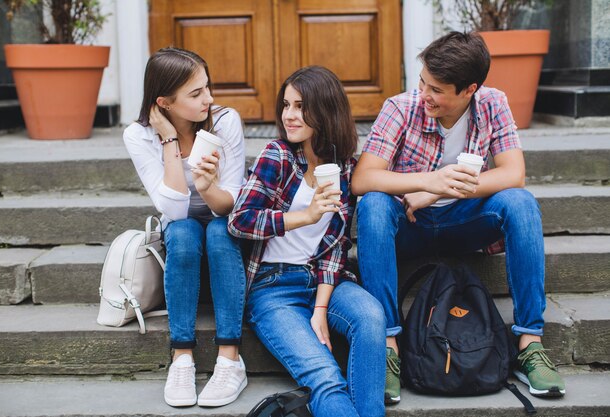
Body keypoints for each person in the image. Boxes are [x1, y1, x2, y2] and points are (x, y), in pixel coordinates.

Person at [352, 31, 566, 401]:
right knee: (372, 204)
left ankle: (529, 342)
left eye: (436, 89)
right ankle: (389, 347)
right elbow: (363, 178)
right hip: (410, 225)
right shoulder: (400, 108)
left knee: (521, 203)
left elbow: (513, 174)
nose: (424, 95)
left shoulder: (492, 104)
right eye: (422, 82)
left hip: (465, 223)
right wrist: (427, 180)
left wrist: (439, 190)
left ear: (468, 90)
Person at [228, 66, 386, 417]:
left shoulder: (345, 168)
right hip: (273, 288)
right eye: (286, 105)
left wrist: (319, 309)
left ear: (325, 109)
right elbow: (240, 220)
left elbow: (336, 248)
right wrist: (305, 216)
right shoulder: (277, 156)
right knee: (325, 376)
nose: (289, 115)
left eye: (300, 106)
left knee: (372, 317)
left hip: (322, 283)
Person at [123, 47, 248, 408]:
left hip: (223, 218)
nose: (208, 99)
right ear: (164, 102)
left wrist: (207, 186)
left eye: (207, 88)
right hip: (182, 229)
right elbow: (175, 210)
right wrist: (169, 140)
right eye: (195, 94)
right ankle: (182, 357)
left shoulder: (225, 122)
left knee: (218, 231)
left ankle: (229, 357)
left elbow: (231, 204)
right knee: (182, 233)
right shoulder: (139, 135)